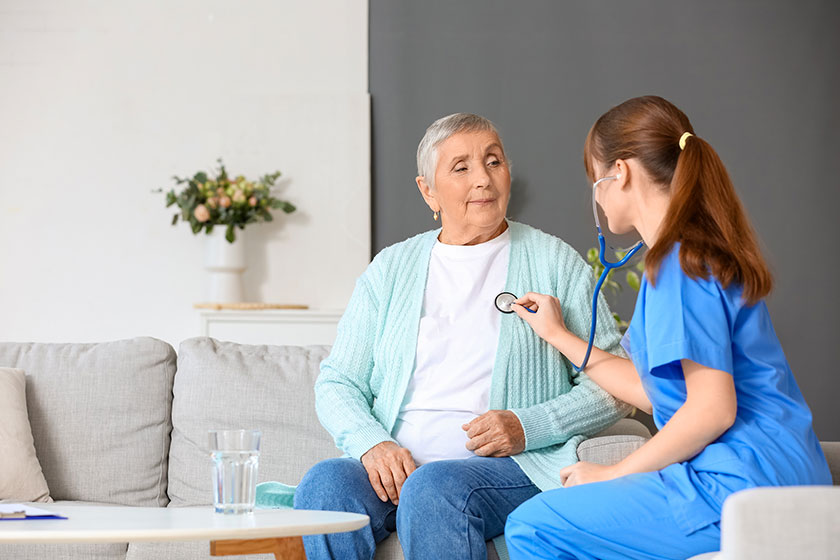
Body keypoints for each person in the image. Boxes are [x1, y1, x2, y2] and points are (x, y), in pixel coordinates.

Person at [292, 113, 632, 560]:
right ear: (427, 191)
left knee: (435, 489)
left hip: (507, 469)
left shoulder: (555, 262)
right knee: (325, 485)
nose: (484, 179)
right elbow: (338, 382)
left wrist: (526, 426)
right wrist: (373, 443)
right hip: (397, 470)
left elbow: (615, 391)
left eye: (494, 161)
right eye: (461, 167)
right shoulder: (390, 269)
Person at [504, 95, 832, 560]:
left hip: (740, 487)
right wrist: (559, 336)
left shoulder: (678, 265)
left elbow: (712, 409)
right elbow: (658, 390)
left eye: (594, 180)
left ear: (620, 173)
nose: (595, 195)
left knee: (536, 527)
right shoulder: (693, 254)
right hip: (784, 474)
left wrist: (615, 473)